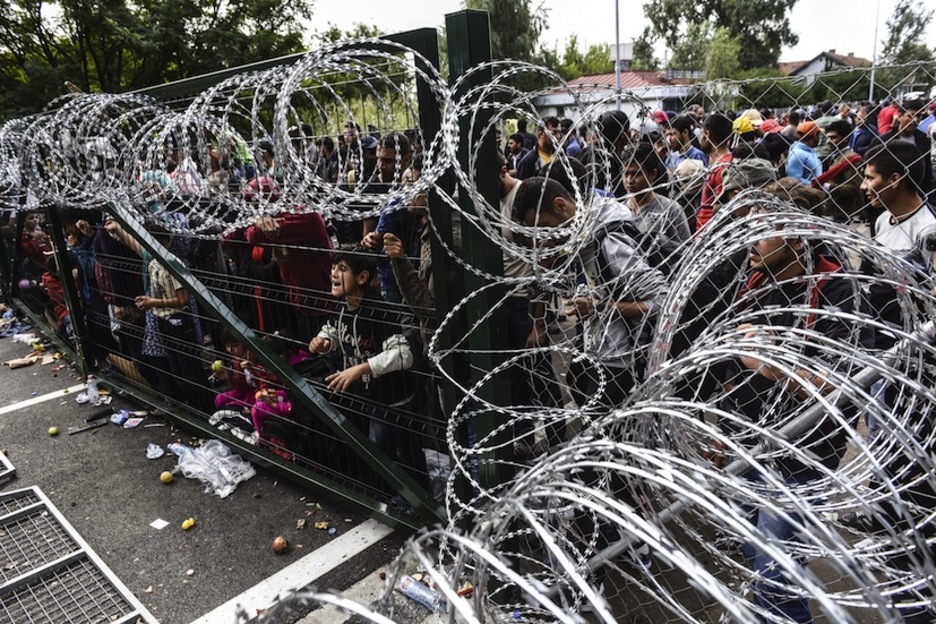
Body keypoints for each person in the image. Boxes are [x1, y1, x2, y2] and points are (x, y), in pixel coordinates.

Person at [718, 200, 874, 623]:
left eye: (763, 232)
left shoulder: (838, 291)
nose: (750, 241)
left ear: (796, 236)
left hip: (803, 448)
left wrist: (768, 359)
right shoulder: (750, 283)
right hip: (748, 439)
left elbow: (839, 382)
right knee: (756, 548)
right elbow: (722, 355)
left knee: (774, 567)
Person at [512, 176, 669, 405]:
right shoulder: (584, 239)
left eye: (546, 227)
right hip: (599, 352)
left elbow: (663, 302)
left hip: (623, 364)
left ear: (560, 205)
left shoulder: (610, 243)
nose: (546, 237)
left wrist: (598, 307)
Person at [308, 247, 428, 491]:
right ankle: (400, 495)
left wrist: (361, 368)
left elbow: (403, 354)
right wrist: (321, 341)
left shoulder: (378, 311)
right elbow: (333, 330)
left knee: (400, 451)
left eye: (342, 269)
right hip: (369, 397)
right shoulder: (342, 307)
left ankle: (419, 498)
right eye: (333, 267)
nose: (333, 273)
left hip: (394, 399)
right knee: (384, 449)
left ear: (362, 278)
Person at [861, 141, 936, 254]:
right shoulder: (883, 219)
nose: (863, 186)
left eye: (869, 178)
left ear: (894, 180)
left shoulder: (929, 229)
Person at [621, 142, 691, 243]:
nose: (629, 180)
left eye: (636, 174)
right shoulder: (620, 210)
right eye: (625, 173)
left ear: (653, 174)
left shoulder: (671, 211)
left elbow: (684, 251)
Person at [879, 99, 934, 201]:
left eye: (918, 116)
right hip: (891, 192)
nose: (915, 120)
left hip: (917, 192)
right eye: (910, 115)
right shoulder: (885, 140)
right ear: (900, 116)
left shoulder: (923, 139)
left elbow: (927, 170)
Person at [697, 113, 734, 230]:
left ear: (707, 134)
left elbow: (719, 211)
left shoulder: (723, 167)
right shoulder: (715, 162)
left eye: (702, 133)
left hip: (709, 235)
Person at [785, 121, 822, 186]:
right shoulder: (798, 154)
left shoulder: (810, 151)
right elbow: (794, 179)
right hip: (807, 193)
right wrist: (816, 185)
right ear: (815, 135)